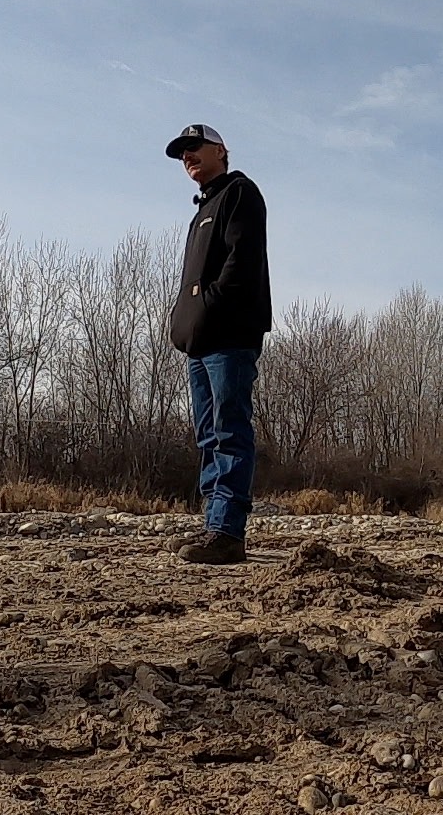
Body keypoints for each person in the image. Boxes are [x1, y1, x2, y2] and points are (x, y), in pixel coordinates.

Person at [164, 123, 272, 565]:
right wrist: (183, 321)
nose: (188, 156)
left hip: (229, 336)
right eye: (182, 153)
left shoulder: (240, 193)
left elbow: (240, 264)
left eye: (195, 148)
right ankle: (214, 523)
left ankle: (228, 531)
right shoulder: (202, 208)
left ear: (221, 150)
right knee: (208, 434)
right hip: (201, 342)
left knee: (229, 430)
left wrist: (207, 307)